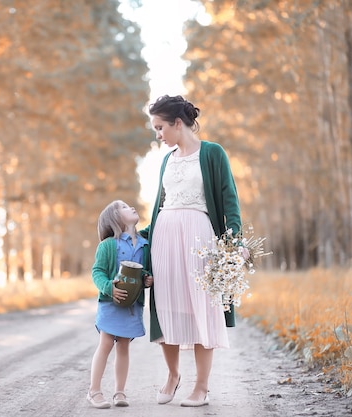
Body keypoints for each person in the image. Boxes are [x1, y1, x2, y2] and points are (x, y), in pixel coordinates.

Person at [145, 95, 243, 407]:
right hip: (165, 239)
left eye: (160, 127)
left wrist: (235, 242)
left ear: (177, 123)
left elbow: (229, 197)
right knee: (166, 305)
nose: (158, 134)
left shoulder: (213, 153)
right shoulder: (167, 160)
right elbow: (159, 206)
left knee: (202, 307)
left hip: (200, 240)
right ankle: (173, 375)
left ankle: (201, 387)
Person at [87, 200, 154, 409]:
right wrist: (108, 287)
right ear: (115, 218)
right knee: (106, 343)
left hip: (132, 306)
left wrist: (146, 278)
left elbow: (142, 272)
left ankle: (119, 392)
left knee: (124, 346)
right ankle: (94, 390)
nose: (131, 207)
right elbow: (97, 271)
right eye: (124, 207)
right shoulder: (108, 245)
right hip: (110, 302)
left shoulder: (144, 244)